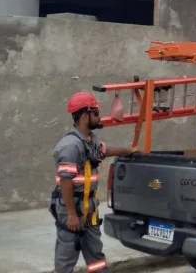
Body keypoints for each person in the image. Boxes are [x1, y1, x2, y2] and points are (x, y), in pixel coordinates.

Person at [50, 92, 139, 273]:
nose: (100, 117)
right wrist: (72, 215)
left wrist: (129, 150)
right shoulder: (70, 146)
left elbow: (105, 150)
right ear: (85, 116)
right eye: (96, 113)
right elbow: (66, 183)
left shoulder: (90, 141)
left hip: (89, 212)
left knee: (96, 259)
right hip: (72, 213)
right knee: (66, 261)